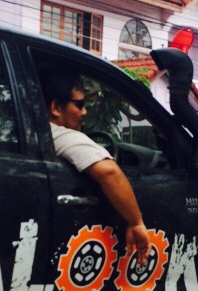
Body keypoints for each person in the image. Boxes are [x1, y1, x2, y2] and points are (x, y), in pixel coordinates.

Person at [42, 72, 151, 266]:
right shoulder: (59, 134)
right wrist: (136, 222)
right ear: (56, 107)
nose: (84, 113)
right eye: (79, 105)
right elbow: (109, 171)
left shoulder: (34, 133)